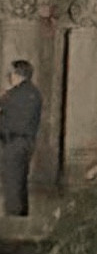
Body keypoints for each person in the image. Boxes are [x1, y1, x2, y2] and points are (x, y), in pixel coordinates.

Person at [0, 59, 44, 218]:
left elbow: (8, 116)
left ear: (18, 74)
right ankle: (20, 216)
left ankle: (13, 219)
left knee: (12, 180)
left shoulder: (16, 94)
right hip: (25, 142)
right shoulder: (33, 92)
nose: (8, 77)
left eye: (10, 73)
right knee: (19, 180)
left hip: (14, 142)